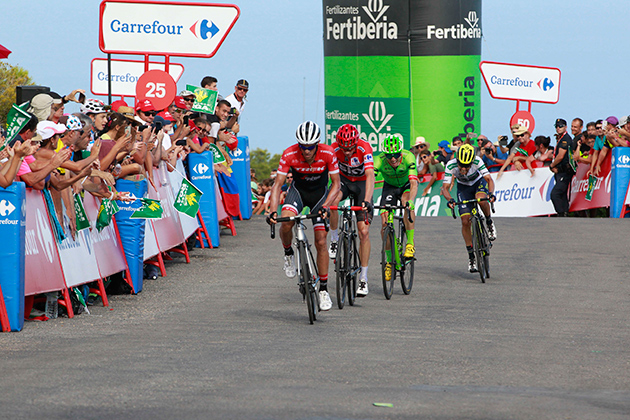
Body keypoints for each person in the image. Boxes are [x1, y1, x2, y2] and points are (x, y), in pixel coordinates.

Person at [266, 121, 340, 312]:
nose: (306, 151)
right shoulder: (289, 153)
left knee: (321, 242)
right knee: (286, 221)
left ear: (317, 143)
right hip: (297, 193)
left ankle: (323, 289)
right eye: (303, 146)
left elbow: (336, 184)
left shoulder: (328, 153)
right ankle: (288, 253)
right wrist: (273, 211)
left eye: (310, 147)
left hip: (319, 196)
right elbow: (277, 185)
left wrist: (326, 206)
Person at [328, 124, 375, 296]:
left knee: (364, 232)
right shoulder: (333, 149)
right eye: (344, 149)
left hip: (362, 184)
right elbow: (330, 176)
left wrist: (367, 201)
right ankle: (333, 240)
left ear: (355, 143)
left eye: (350, 149)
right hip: (344, 183)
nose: (347, 152)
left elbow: (370, 175)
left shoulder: (364, 148)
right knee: (332, 202)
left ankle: (363, 278)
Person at [442, 144, 496, 273]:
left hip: (478, 183)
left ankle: (489, 222)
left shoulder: (478, 161)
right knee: (465, 221)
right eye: (461, 165)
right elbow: (444, 187)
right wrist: (450, 200)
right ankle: (471, 256)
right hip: (463, 188)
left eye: (467, 166)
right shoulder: (451, 165)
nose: (463, 168)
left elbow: (489, 179)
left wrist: (491, 194)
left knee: (481, 200)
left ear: (472, 162)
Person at [373, 135, 418, 283]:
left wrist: (411, 201)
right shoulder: (379, 159)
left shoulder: (408, 157)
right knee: (385, 222)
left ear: (400, 152)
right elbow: (370, 179)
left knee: (406, 202)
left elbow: (413, 183)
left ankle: (410, 244)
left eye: (396, 155)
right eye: (389, 156)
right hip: (390, 188)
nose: (393, 159)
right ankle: (389, 261)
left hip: (405, 186)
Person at [549, 118, 576, 216]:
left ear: (565, 127)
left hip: (565, 170)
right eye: (556, 126)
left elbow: (560, 156)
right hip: (560, 171)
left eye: (560, 126)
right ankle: (564, 214)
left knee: (555, 194)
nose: (558, 128)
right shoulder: (561, 138)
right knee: (562, 194)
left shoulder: (565, 139)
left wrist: (551, 165)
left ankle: (561, 213)